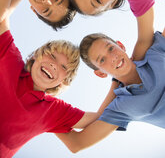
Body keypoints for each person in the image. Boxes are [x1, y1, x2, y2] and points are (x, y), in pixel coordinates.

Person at [0, 14, 118, 158]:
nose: (53, 65)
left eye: (63, 67)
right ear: (36, 56)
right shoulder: (10, 60)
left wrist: (118, 80)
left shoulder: (53, 111)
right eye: (52, 56)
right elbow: (2, 14)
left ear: (63, 81)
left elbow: (99, 118)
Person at [54, 28, 165, 153]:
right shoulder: (120, 108)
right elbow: (76, 143)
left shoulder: (154, 51)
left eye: (111, 48)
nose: (113, 58)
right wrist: (47, 112)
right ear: (100, 73)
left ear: (121, 46)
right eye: (102, 60)